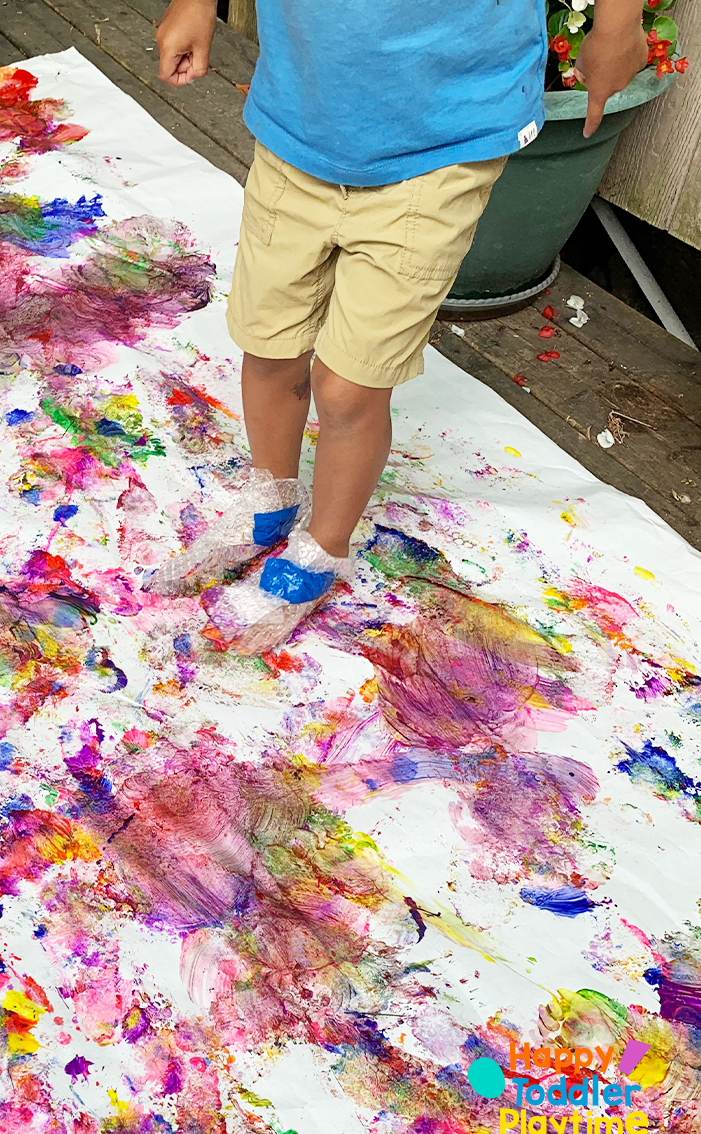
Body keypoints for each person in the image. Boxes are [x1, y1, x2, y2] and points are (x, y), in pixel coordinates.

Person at [149, 0, 647, 652]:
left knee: (348, 387)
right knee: (268, 343)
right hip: (301, 114)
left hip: (440, 141)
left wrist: (617, 24)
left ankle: (320, 554)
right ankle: (269, 502)